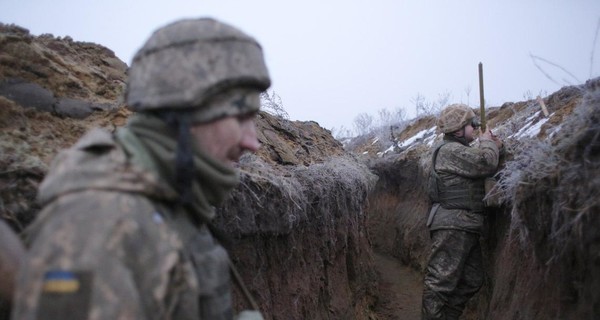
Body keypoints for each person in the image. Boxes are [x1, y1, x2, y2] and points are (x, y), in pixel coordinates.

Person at [12, 17, 270, 320]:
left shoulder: (167, 200)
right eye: (241, 117)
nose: (254, 142)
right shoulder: (97, 229)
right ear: (186, 113)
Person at [421, 104, 503, 320]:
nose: (476, 128)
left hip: (465, 225)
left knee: (473, 279)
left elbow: (482, 158)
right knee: (440, 283)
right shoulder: (449, 150)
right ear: (458, 131)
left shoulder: (458, 151)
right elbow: (485, 162)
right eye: (472, 124)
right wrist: (487, 143)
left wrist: (494, 146)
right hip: (452, 225)